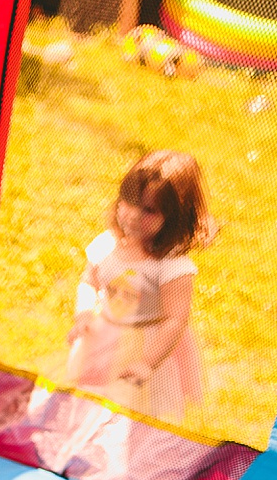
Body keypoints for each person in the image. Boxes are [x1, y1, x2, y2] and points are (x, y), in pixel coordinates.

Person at [64, 150, 212, 424]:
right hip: (104, 334)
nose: (132, 215)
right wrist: (84, 313)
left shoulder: (170, 265)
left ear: (174, 218)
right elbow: (89, 280)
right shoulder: (108, 244)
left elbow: (176, 318)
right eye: (128, 202)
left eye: (148, 210)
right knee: (89, 396)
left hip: (146, 344)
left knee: (135, 411)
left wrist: (148, 362)